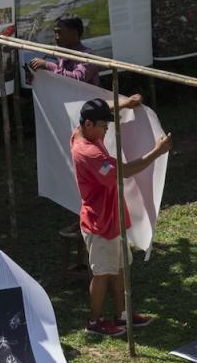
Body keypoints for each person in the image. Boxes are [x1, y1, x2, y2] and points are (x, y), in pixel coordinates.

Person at [73, 97, 171, 338]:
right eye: (103, 126)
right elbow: (124, 172)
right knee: (102, 274)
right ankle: (94, 322)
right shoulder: (89, 153)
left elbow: (100, 108)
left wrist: (126, 104)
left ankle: (123, 315)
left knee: (119, 269)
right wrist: (157, 152)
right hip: (99, 223)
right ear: (89, 124)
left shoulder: (80, 132)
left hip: (113, 217)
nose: (107, 130)